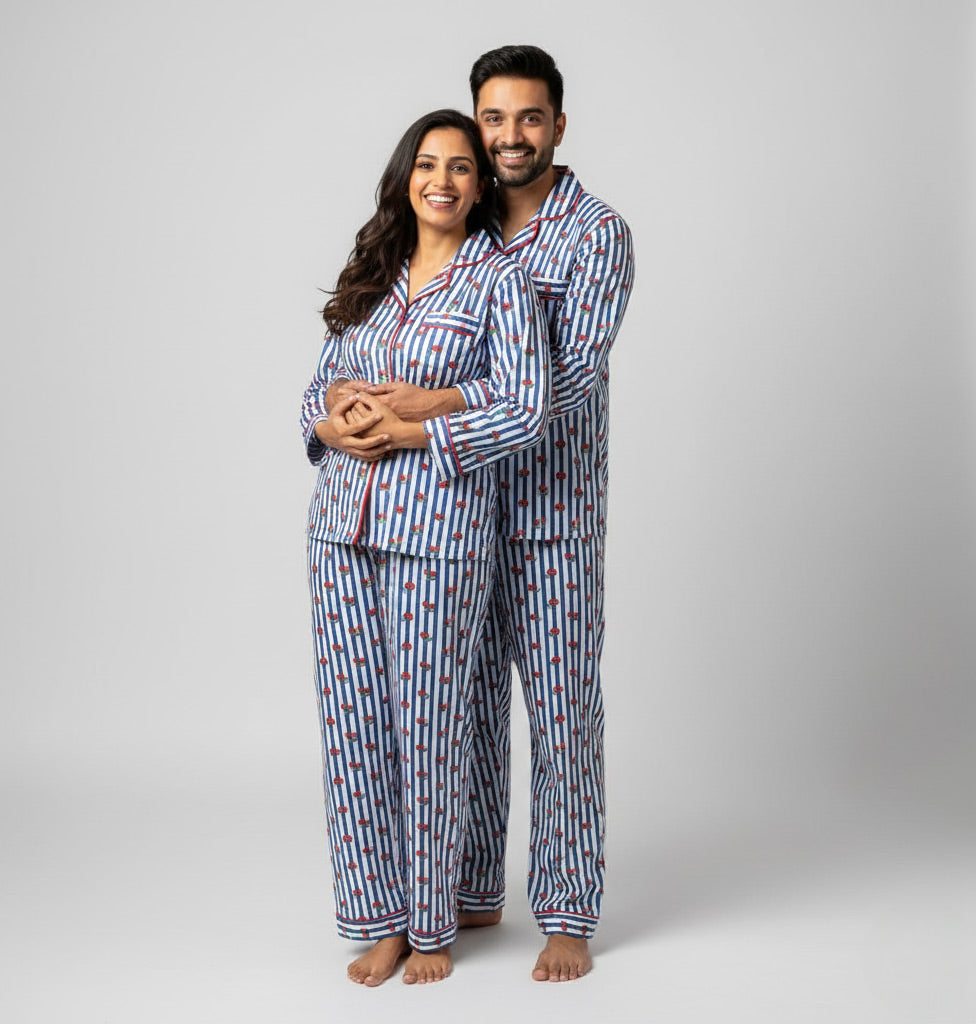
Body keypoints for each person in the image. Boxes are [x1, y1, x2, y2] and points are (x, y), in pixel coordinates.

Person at [327, 46, 635, 983]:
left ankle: (570, 911)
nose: (507, 137)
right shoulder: (467, 222)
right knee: (457, 710)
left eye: (528, 118)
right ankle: (464, 886)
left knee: (561, 710)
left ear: (558, 126)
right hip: (448, 513)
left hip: (547, 512)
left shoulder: (596, 234)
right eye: (492, 119)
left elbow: (563, 381)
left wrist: (425, 403)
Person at [300, 108, 549, 986]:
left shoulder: (498, 281)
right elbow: (314, 396)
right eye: (427, 164)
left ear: (480, 187)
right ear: (406, 177)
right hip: (341, 531)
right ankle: (381, 916)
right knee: (355, 728)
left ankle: (434, 920)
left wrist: (422, 425)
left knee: (432, 727)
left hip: (438, 532)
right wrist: (332, 421)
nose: (442, 179)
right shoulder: (371, 276)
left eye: (461, 168)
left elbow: (525, 407)